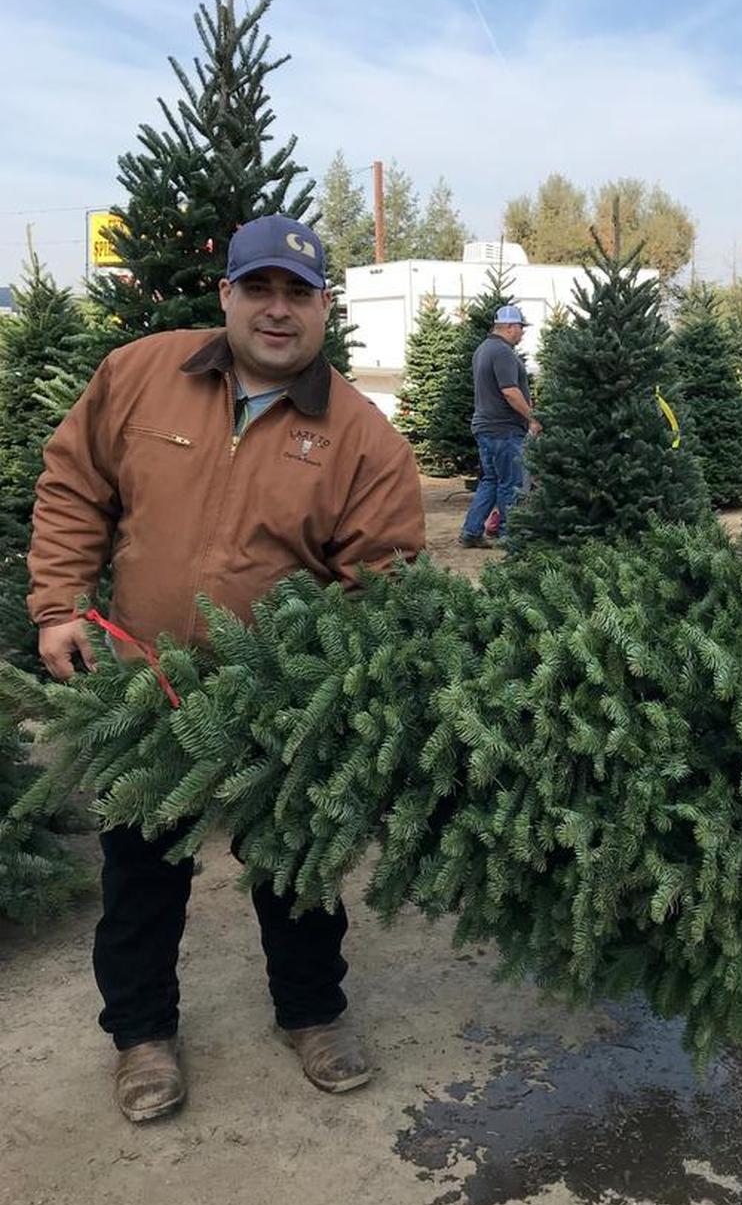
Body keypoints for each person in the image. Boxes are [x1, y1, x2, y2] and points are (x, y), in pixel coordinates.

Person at [28, 214, 426, 1122]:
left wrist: (318, 690)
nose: (278, 311)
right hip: (141, 681)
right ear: (227, 296)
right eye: (260, 289)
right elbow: (72, 485)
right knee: (140, 869)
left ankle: (313, 1015)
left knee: (295, 867)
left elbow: (386, 579)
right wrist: (57, 605)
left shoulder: (363, 438)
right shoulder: (141, 375)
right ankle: (141, 1038)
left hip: (278, 705)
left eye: (299, 292)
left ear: (326, 306)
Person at [458, 303, 540, 548]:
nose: (523, 333)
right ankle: (510, 537)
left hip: (485, 428)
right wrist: (532, 417)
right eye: (521, 328)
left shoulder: (483, 349)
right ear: (509, 327)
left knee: (491, 480)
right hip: (504, 430)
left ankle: (471, 532)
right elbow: (510, 392)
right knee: (511, 483)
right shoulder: (503, 352)